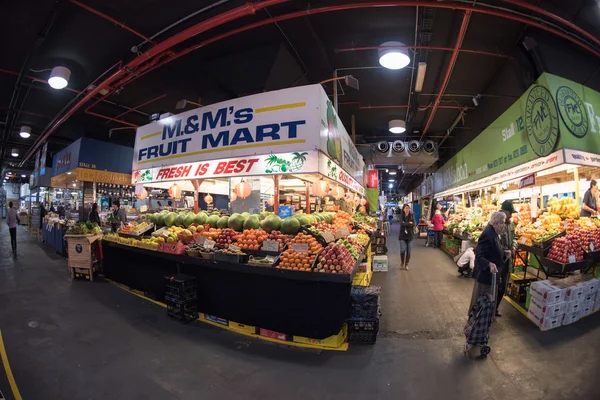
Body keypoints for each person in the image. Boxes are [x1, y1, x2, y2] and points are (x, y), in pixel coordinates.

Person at [469, 211, 506, 312]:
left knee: (486, 304)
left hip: (491, 276)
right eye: (502, 222)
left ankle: (484, 321)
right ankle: (477, 324)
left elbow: (493, 249)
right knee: (482, 304)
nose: (504, 226)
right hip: (486, 277)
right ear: (496, 223)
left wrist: (503, 252)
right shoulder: (488, 234)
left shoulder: (494, 233)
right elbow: (479, 255)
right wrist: (489, 264)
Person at [497, 200, 517, 315]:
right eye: (510, 212)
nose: (511, 215)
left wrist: (513, 246)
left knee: (503, 285)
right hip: (498, 260)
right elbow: (494, 242)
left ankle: (495, 308)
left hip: (507, 261)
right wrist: (503, 251)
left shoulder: (511, 223)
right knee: (496, 286)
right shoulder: (498, 223)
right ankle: (491, 309)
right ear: (504, 211)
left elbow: (514, 237)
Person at [398, 204, 415, 270]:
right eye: (406, 208)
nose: (407, 209)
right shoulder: (401, 216)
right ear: (403, 209)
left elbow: (413, 224)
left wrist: (406, 223)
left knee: (409, 251)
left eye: (408, 208)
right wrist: (409, 223)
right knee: (402, 250)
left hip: (410, 235)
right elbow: (401, 224)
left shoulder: (411, 216)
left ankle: (406, 264)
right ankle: (402, 263)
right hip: (402, 235)